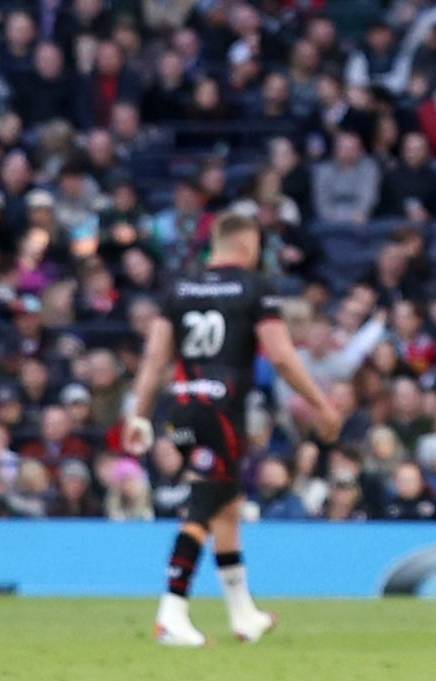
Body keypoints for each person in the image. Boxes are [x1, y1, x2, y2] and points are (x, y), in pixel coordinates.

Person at [126, 204, 348, 646]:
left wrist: (139, 412)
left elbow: (155, 356)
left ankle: (243, 614)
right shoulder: (255, 289)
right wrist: (322, 405)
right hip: (222, 413)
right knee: (205, 503)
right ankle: (171, 611)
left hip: (182, 412)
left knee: (226, 505)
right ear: (247, 244)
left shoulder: (180, 287)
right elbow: (282, 356)